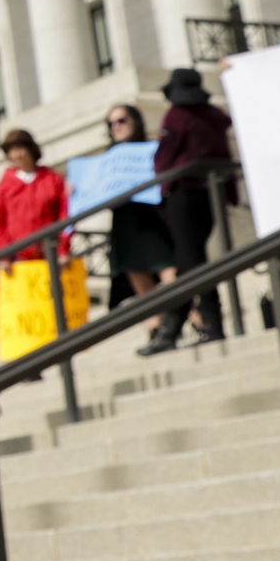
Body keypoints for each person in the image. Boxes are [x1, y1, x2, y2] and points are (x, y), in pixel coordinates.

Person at [151, 69, 235, 346]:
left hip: (185, 193)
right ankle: (174, 329)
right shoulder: (213, 116)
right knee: (190, 261)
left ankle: (204, 324)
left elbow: (164, 157)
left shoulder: (177, 116)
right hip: (212, 193)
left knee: (193, 262)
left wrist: (163, 184)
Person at [0, 129, 78, 360]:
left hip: (49, 255)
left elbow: (65, 214)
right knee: (26, 315)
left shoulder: (52, 179)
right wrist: (5, 254)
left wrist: (63, 247)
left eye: (21, 148)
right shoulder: (5, 184)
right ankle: (30, 360)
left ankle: (59, 351)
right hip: (20, 260)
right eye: (11, 150)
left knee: (53, 307)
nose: (17, 155)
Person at [100, 104, 181, 353]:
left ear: (135, 121)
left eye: (122, 120)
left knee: (169, 271)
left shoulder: (151, 150)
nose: (117, 126)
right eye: (111, 123)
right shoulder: (106, 160)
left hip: (152, 215)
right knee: (137, 275)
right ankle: (154, 329)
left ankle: (184, 318)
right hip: (124, 220)